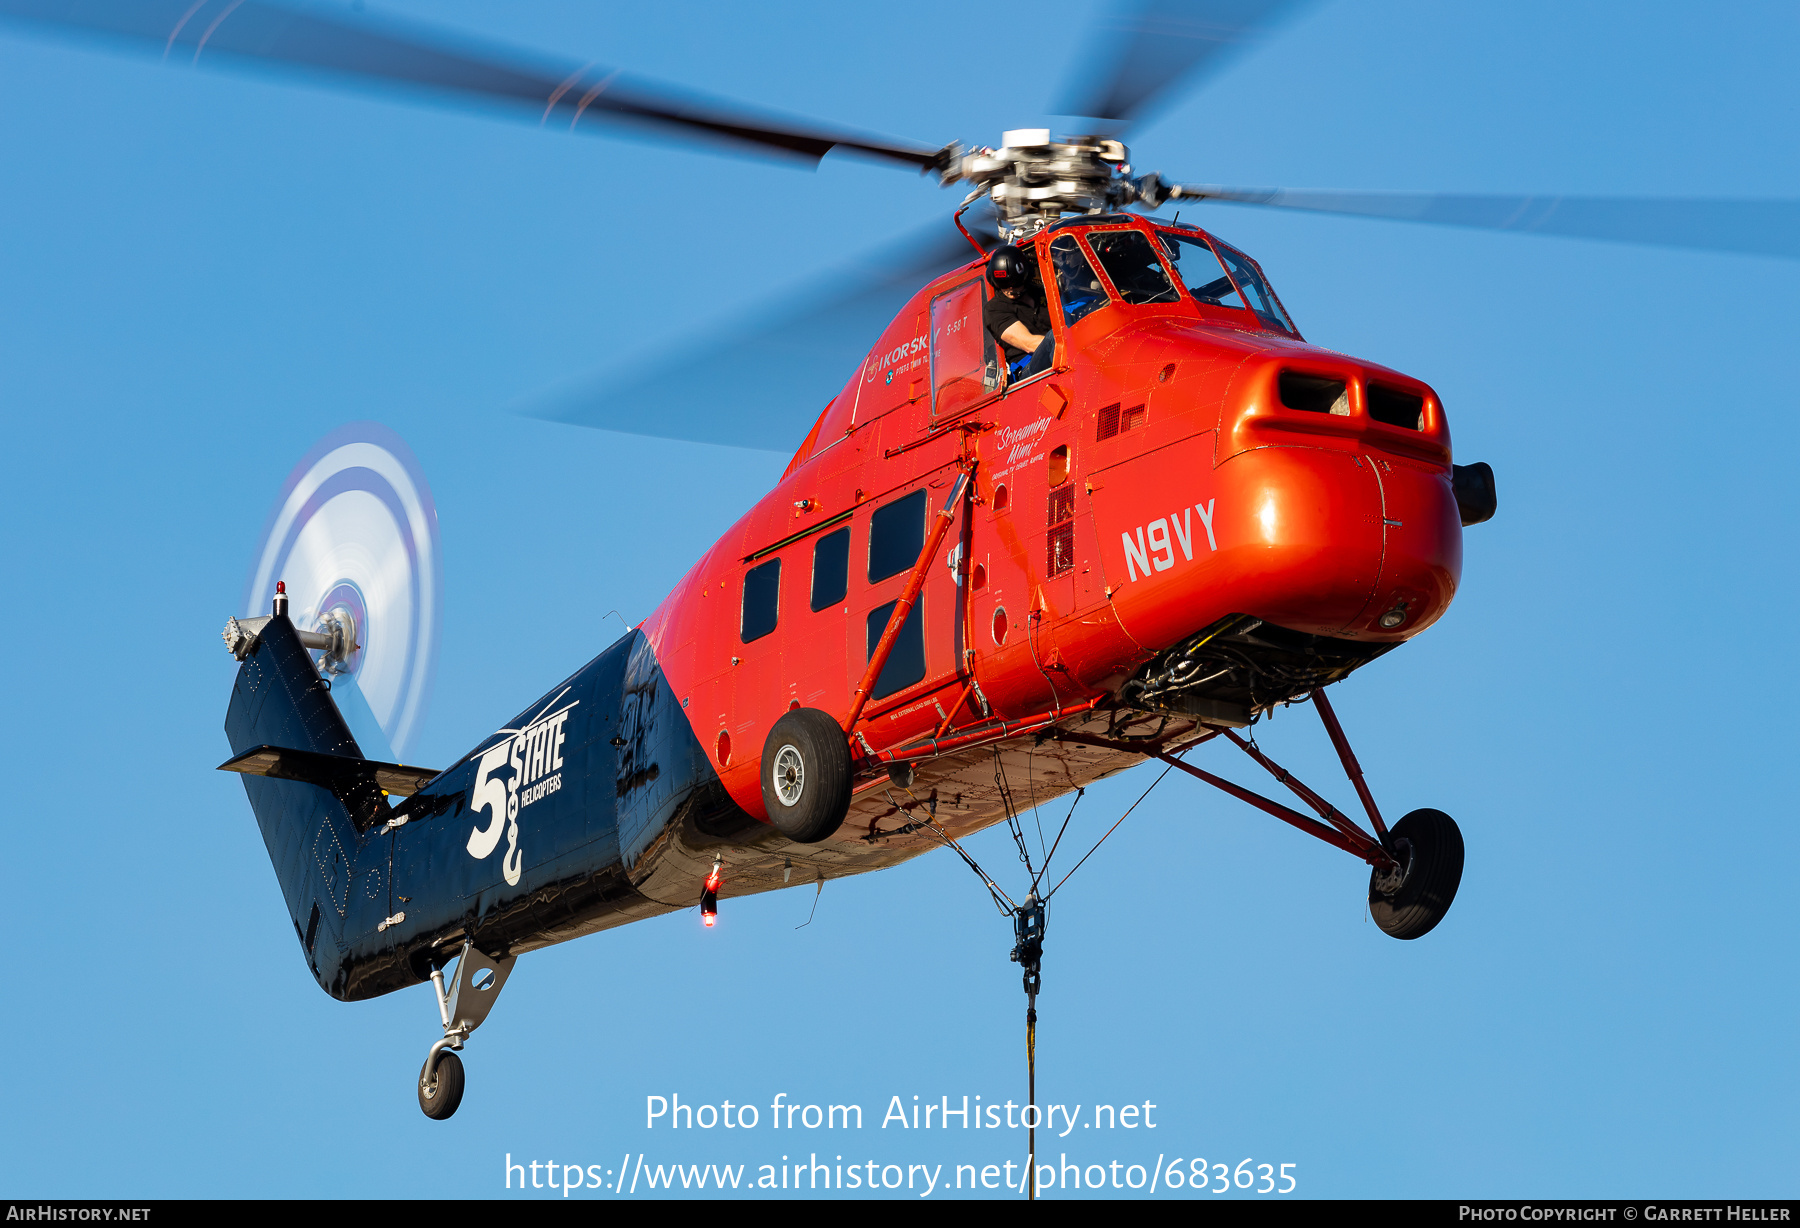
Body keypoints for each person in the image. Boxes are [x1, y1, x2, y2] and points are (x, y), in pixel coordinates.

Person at [983, 245, 1055, 382]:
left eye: (1015, 285)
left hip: (1059, 353)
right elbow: (1029, 344)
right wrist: (1069, 339)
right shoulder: (994, 309)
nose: (1010, 290)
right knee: (1054, 338)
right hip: (1030, 368)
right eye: (1003, 286)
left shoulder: (1042, 292)